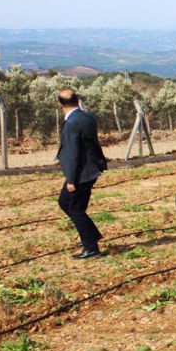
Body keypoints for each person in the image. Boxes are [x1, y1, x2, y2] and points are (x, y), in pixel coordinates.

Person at [55, 89, 108, 259]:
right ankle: (90, 234)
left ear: (59, 105)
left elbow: (73, 153)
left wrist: (71, 180)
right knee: (64, 201)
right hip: (89, 168)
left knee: (77, 210)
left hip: (81, 173)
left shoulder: (71, 124)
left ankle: (91, 248)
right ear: (77, 101)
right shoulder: (87, 116)